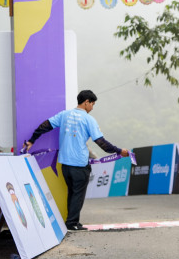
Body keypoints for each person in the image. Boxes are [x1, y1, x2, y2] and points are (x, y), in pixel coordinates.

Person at [24, 90, 129, 231]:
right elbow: (101, 142)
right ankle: (72, 223)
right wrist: (119, 151)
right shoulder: (89, 120)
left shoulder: (64, 115)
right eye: (92, 104)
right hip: (79, 164)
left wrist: (32, 140)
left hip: (65, 165)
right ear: (86, 102)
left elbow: (45, 126)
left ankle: (72, 221)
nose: (92, 108)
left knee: (73, 193)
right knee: (78, 194)